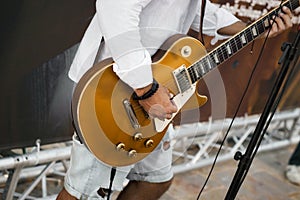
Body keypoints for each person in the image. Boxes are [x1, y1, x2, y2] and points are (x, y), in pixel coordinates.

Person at [57, 1, 293, 199]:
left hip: (155, 89)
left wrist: (251, 28)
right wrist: (146, 89)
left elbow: (198, 10)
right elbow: (116, 9)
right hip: (116, 90)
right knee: (83, 193)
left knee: (155, 182)